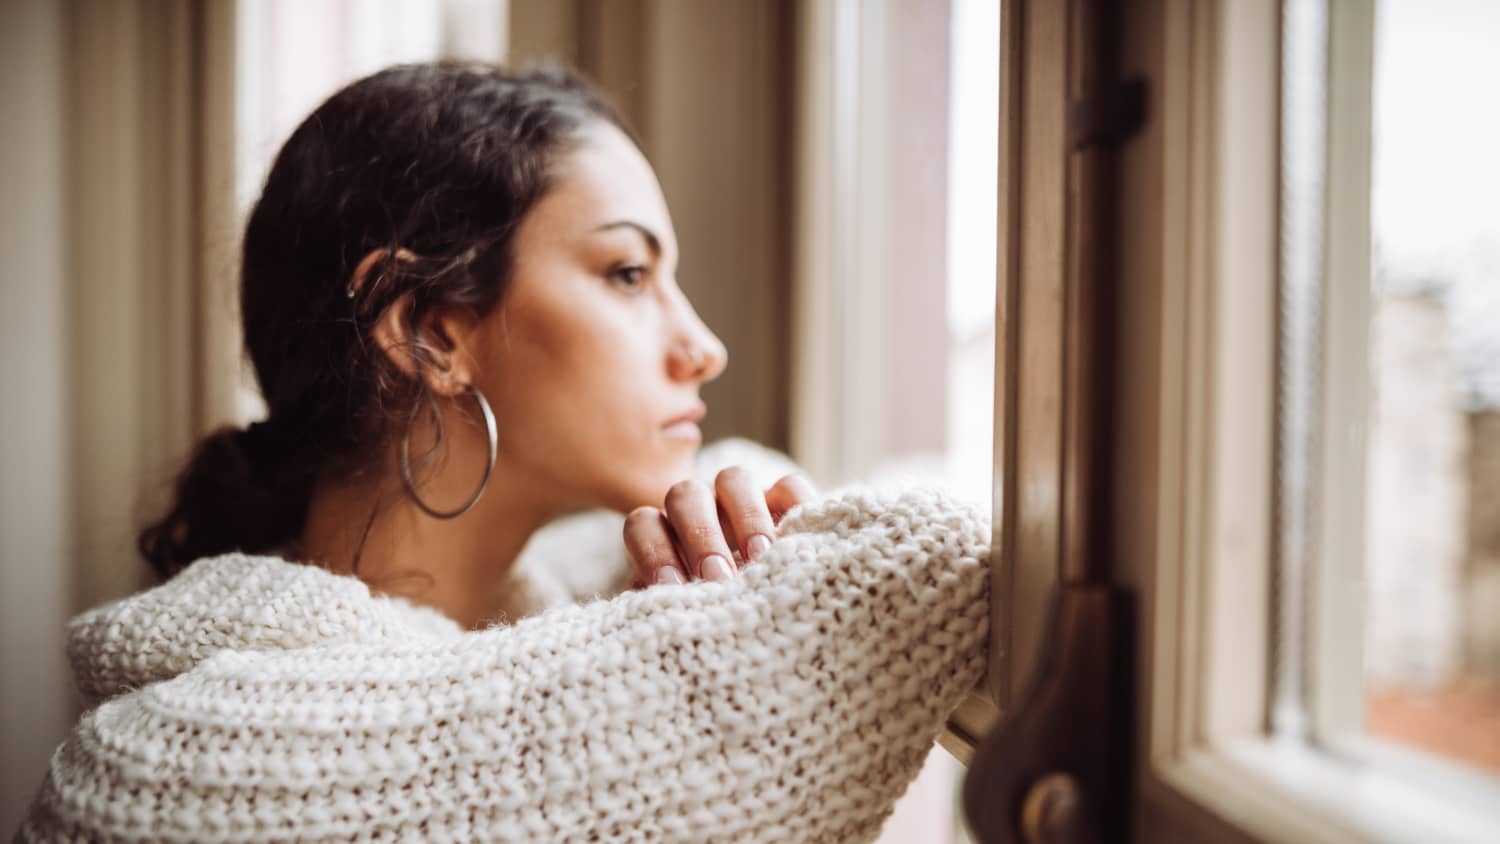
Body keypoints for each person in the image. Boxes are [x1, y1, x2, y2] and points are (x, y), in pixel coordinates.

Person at [16, 62, 990, 842]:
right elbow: (927, 556)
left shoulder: (549, 632)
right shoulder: (182, 770)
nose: (703, 345)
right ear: (430, 333)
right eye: (626, 272)